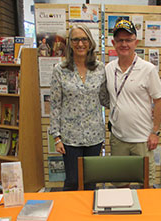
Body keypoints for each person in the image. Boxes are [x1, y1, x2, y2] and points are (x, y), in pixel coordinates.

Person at [105, 19, 161, 186]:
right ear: (113, 43)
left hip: (142, 139)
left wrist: (155, 132)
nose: (124, 44)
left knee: (146, 185)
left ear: (136, 42)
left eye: (128, 40)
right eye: (120, 40)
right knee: (119, 185)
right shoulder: (109, 69)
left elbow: (159, 100)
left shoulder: (148, 69)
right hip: (118, 139)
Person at [49, 24, 108, 191]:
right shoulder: (59, 70)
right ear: (70, 43)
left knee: (91, 181)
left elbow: (105, 98)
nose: (80, 44)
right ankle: (69, 215)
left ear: (90, 42)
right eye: (75, 39)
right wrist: (56, 137)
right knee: (72, 180)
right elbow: (55, 105)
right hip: (70, 137)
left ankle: (90, 215)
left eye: (84, 39)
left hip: (94, 136)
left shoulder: (100, 68)